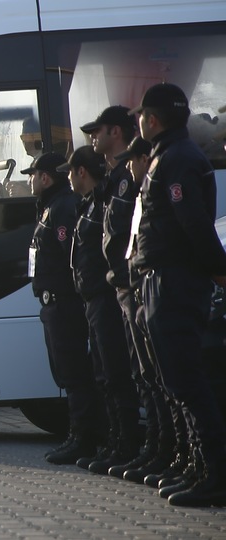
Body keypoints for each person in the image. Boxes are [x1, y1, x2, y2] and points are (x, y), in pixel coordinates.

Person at [128, 83, 226, 507]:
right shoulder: (169, 156)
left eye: (141, 116)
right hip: (162, 280)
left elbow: (193, 222)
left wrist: (219, 269)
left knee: (186, 380)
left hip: (177, 282)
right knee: (175, 379)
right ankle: (197, 467)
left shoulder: (178, 159)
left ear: (151, 119)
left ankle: (214, 473)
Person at [56, 145, 142, 474]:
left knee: (118, 375)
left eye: (70, 170)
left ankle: (127, 444)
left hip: (106, 297)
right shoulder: (90, 204)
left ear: (80, 172)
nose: (68, 177)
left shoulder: (102, 201)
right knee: (104, 375)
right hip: (92, 299)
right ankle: (115, 441)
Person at [26, 152, 105, 465]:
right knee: (68, 373)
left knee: (75, 375)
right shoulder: (50, 206)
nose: (29, 179)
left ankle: (83, 437)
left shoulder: (61, 207)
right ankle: (86, 435)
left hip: (65, 303)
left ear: (45, 177)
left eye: (32, 174)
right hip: (53, 303)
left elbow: (71, 258)